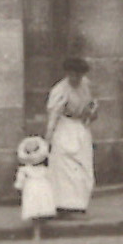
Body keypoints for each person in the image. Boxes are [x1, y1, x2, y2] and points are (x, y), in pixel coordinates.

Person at [42, 56, 99, 217]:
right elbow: (53, 115)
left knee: (83, 165)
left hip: (80, 128)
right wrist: (49, 138)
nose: (77, 78)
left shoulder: (85, 85)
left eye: (79, 75)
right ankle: (65, 205)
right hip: (64, 128)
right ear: (67, 73)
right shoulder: (60, 90)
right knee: (65, 166)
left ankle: (79, 203)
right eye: (73, 74)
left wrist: (91, 112)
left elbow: (92, 104)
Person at [13, 134, 57, 241]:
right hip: (32, 190)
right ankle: (37, 231)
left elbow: (52, 177)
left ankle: (40, 229)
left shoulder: (44, 169)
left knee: (41, 208)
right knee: (35, 209)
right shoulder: (25, 170)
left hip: (41, 189)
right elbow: (20, 181)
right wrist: (19, 186)